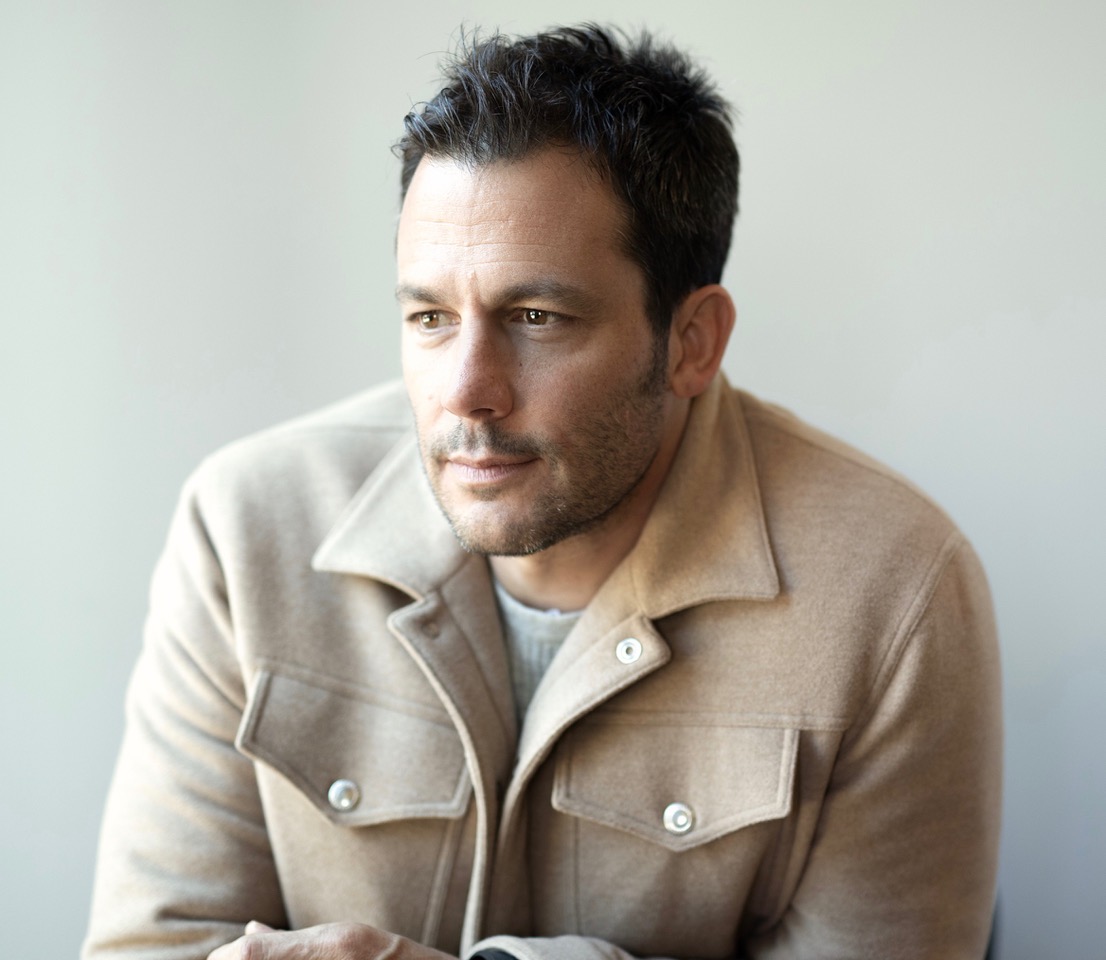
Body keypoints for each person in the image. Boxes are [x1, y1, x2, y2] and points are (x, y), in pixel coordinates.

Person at [83, 24, 1002, 960]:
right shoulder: (247, 528)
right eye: (430, 317)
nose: (466, 391)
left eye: (536, 317)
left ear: (692, 342)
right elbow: (147, 946)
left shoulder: (893, 591)